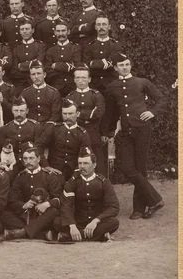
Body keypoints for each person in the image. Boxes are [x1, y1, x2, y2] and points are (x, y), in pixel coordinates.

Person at [101, 54, 165, 219]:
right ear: (115, 68)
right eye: (121, 65)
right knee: (127, 168)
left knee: (140, 168)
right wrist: (107, 131)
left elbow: (161, 99)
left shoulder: (142, 82)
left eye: (127, 64)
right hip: (126, 131)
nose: (125, 67)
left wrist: (152, 112)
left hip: (143, 129)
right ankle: (155, 200)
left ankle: (139, 209)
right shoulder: (112, 87)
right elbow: (112, 112)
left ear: (130, 66)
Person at [56, 148, 120, 243]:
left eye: (86, 163)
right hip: (77, 222)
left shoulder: (103, 182)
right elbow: (66, 205)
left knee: (114, 222)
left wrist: (96, 221)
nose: (82, 167)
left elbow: (114, 207)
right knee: (57, 222)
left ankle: (69, 237)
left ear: (94, 165)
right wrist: (72, 225)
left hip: (96, 223)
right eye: (80, 163)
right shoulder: (72, 182)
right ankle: (100, 236)